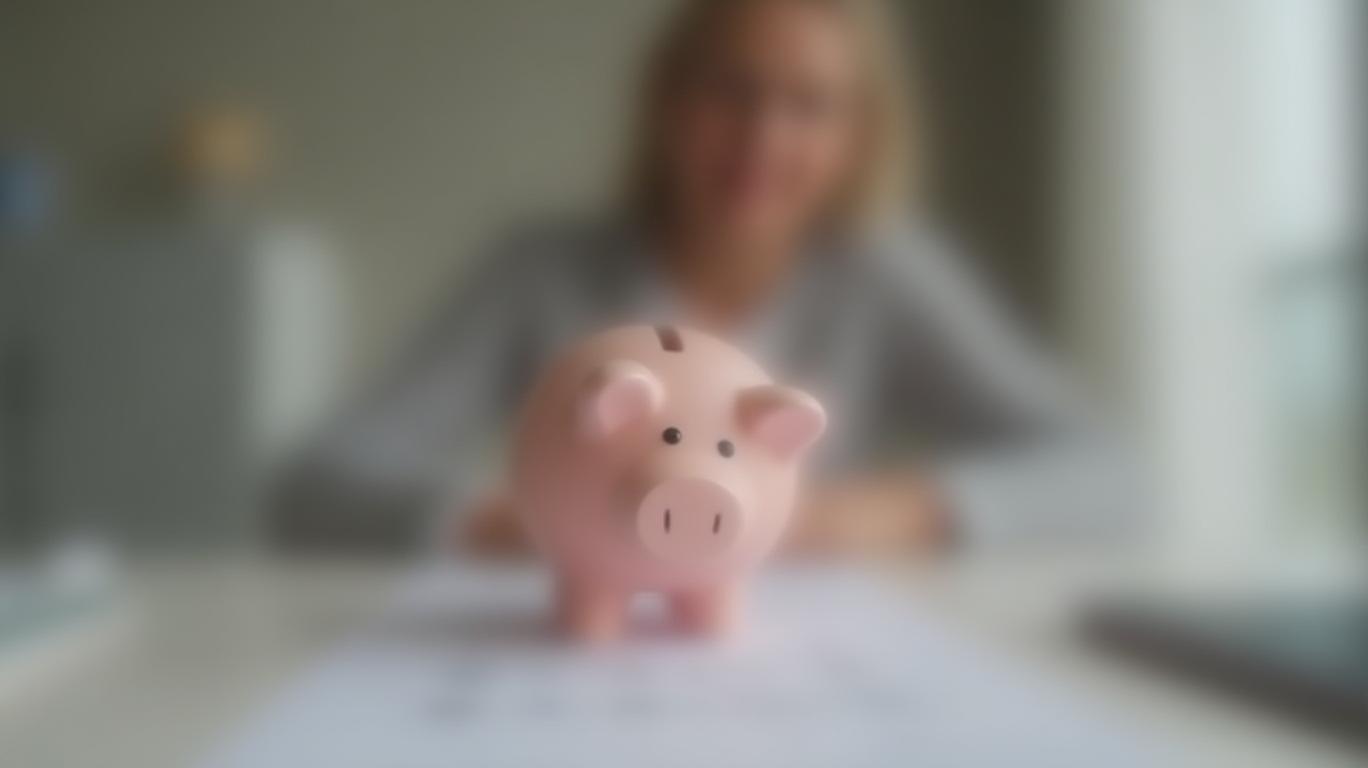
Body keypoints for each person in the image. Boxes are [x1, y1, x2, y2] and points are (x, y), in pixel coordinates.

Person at [275, 0, 1132, 555]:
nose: (763, 138)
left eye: (810, 105)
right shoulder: (538, 271)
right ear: (667, 101)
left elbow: (1111, 474)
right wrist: (519, 519)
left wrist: (879, 513)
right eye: (731, 91)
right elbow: (317, 483)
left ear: (859, 136)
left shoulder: (887, 274)